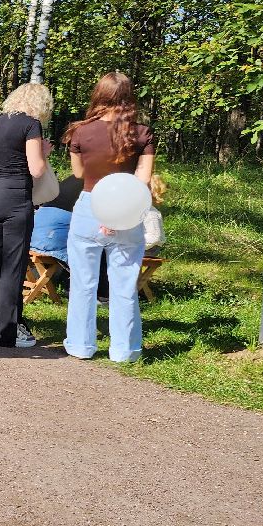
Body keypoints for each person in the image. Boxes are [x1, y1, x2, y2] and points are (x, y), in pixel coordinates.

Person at [62, 71, 155, 362]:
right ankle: (125, 350)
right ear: (129, 97)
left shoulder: (80, 132)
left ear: (99, 95)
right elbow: (144, 178)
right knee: (125, 282)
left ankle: (80, 345)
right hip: (129, 206)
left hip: (89, 206)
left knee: (83, 283)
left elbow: (78, 174)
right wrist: (121, 208)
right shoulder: (142, 133)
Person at [0, 82, 52, 348]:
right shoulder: (31, 125)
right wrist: (45, 154)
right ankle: (6, 333)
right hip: (16, 199)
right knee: (13, 267)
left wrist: (0, 158)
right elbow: (36, 170)